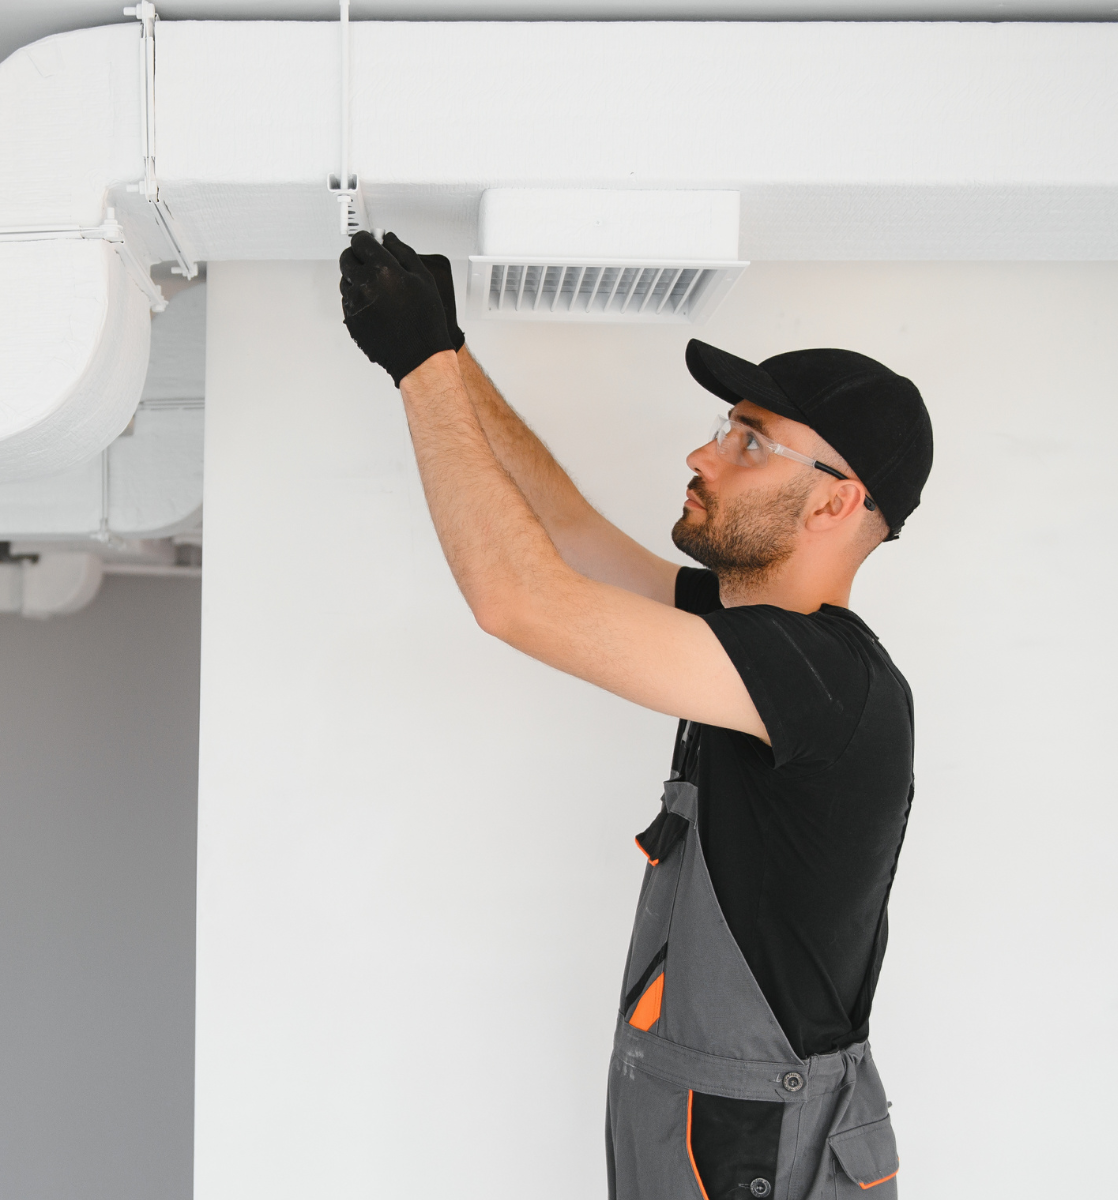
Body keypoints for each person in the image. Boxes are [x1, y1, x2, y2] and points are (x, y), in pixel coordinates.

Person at [337, 231, 933, 1199]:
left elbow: (517, 601)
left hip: (755, 1164)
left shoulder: (822, 682)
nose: (703, 452)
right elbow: (565, 536)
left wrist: (416, 370)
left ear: (838, 503)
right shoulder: (749, 635)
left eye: (748, 442)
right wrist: (447, 351)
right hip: (712, 1144)